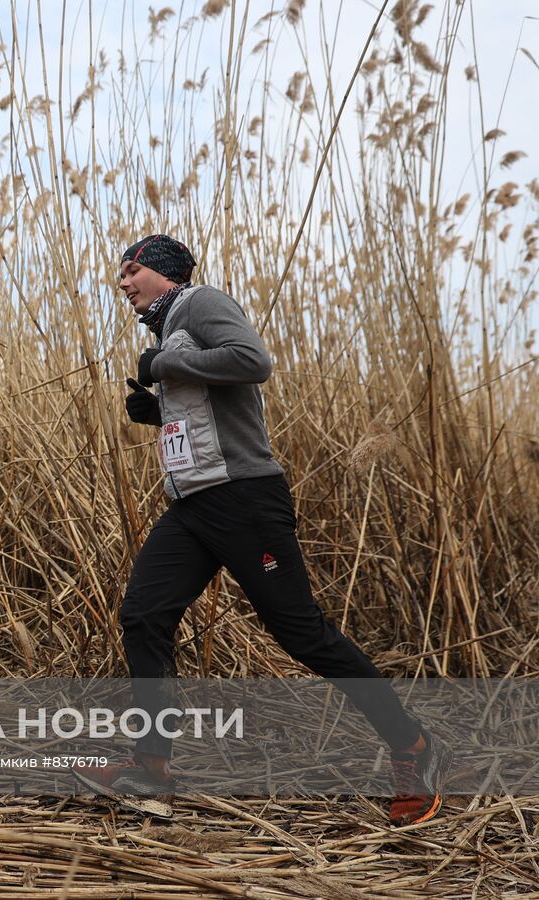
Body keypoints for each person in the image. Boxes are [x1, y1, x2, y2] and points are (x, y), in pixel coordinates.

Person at [71, 234, 447, 825]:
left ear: (164, 274)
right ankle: (152, 766)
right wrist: (160, 409)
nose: (122, 282)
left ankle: (413, 747)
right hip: (193, 507)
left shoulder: (200, 303)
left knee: (304, 635)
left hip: (245, 501)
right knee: (144, 615)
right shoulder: (170, 328)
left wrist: (163, 366)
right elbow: (213, 407)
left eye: (133, 269)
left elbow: (253, 361)